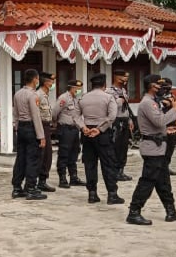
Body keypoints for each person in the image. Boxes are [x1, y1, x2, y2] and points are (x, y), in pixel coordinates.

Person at [126, 74, 176, 225]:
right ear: (152, 86)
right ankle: (134, 211)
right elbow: (159, 121)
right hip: (152, 148)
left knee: (163, 181)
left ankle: (170, 210)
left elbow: (158, 125)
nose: (162, 88)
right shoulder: (147, 103)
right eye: (159, 85)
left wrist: (166, 129)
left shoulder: (153, 102)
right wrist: (175, 108)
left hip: (159, 147)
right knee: (147, 180)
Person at [77, 73, 123, 205]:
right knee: (108, 164)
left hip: (87, 133)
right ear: (104, 85)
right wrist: (99, 129)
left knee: (90, 164)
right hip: (102, 133)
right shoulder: (108, 97)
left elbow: (75, 115)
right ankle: (112, 194)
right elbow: (112, 116)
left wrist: (83, 127)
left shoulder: (84, 97)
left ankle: (92, 193)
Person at [11, 69, 48, 200]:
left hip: (21, 127)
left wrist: (16, 129)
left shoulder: (18, 93)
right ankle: (31, 188)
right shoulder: (33, 95)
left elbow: (15, 114)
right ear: (35, 79)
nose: (38, 81)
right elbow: (36, 116)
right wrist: (41, 136)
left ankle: (16, 187)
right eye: (38, 79)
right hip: (31, 128)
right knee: (33, 159)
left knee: (21, 159)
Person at [54, 79, 85, 189]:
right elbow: (55, 112)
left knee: (74, 152)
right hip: (65, 129)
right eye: (78, 89)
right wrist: (56, 124)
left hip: (75, 129)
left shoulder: (76, 99)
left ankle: (73, 177)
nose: (79, 90)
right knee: (64, 153)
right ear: (72, 88)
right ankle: (62, 178)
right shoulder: (64, 98)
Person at [106, 70, 134, 182]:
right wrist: (119, 101)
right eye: (123, 78)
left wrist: (130, 120)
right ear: (117, 78)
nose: (125, 81)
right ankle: (113, 171)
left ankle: (120, 171)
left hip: (124, 120)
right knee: (115, 147)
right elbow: (108, 107)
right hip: (115, 121)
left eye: (126, 78)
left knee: (123, 147)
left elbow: (126, 108)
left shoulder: (123, 90)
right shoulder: (109, 91)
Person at [35, 72, 57, 192]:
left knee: (47, 154)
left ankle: (42, 180)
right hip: (41, 126)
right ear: (45, 82)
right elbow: (36, 115)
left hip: (47, 126)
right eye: (51, 82)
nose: (52, 84)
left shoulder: (46, 95)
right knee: (42, 154)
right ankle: (38, 181)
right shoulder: (38, 95)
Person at [158, 77, 176, 176]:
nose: (166, 89)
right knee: (162, 146)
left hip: (172, 122)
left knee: (171, 146)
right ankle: (161, 167)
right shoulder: (157, 96)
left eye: (167, 87)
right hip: (162, 123)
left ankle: (166, 165)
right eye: (164, 87)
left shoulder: (172, 95)